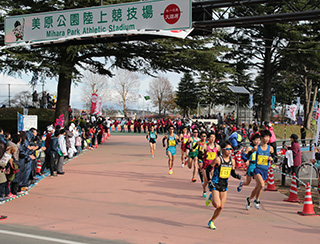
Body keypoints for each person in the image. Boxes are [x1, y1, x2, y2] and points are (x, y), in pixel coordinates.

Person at [205, 141, 241, 230]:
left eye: (231, 149)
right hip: (215, 183)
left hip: (224, 184)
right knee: (217, 205)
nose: (229, 151)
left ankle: (211, 221)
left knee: (221, 207)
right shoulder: (218, 159)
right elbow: (208, 170)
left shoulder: (232, 161)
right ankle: (212, 197)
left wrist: (236, 176)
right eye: (227, 149)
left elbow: (232, 173)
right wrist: (209, 180)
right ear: (223, 150)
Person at [245, 130, 274, 210]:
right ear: (262, 137)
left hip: (265, 170)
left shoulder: (270, 148)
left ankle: (249, 199)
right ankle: (257, 200)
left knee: (258, 187)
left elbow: (274, 156)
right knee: (262, 185)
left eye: (269, 137)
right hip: (257, 169)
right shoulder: (256, 148)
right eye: (266, 137)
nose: (267, 139)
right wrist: (247, 160)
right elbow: (249, 154)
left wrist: (271, 158)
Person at [200, 132, 220, 198]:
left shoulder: (217, 146)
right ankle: (204, 190)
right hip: (206, 166)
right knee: (206, 181)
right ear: (208, 138)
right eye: (211, 137)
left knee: (214, 180)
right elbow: (200, 155)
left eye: (214, 137)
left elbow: (219, 156)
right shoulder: (205, 146)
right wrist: (204, 156)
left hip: (213, 166)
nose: (212, 139)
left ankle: (212, 193)